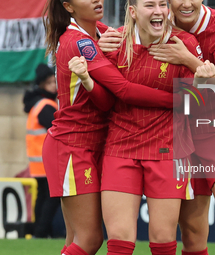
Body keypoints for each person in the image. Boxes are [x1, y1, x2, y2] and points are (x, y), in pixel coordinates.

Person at [42, 0, 185, 255]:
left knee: (76, 239)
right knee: (89, 239)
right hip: (73, 145)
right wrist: (178, 99)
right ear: (69, 6)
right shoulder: (79, 42)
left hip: (93, 144)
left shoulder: (100, 34)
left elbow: (107, 101)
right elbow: (123, 90)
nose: (97, 0)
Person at [75, 0, 214, 254]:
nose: (159, 11)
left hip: (168, 150)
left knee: (162, 239)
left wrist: (199, 84)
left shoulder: (184, 46)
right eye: (150, 5)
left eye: (163, 4)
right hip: (121, 149)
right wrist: (86, 77)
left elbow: (198, 106)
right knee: (118, 239)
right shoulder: (113, 42)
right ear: (132, 11)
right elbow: (106, 102)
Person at [147, 1, 215, 255]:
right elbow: (131, 28)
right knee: (192, 235)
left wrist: (187, 58)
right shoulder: (159, 21)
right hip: (182, 132)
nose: (186, 3)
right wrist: (104, 37)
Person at [23, 63, 61, 238]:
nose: (54, 85)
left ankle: (39, 231)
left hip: (37, 163)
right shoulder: (46, 105)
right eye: (50, 83)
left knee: (43, 197)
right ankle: (41, 232)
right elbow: (57, 129)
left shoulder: (37, 104)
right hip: (47, 161)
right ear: (42, 85)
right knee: (51, 199)